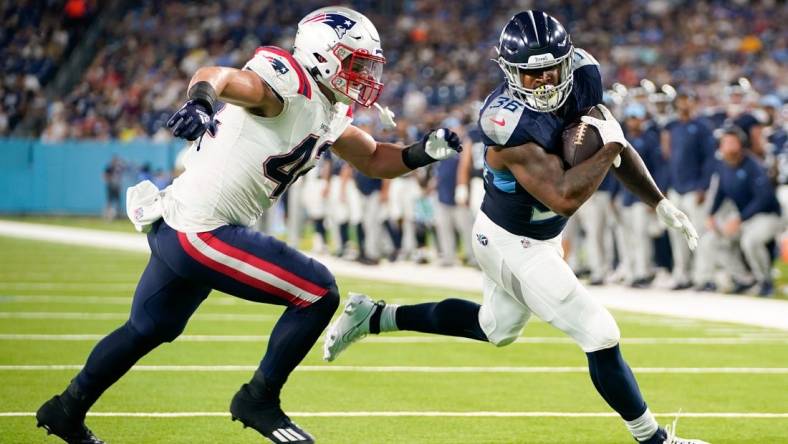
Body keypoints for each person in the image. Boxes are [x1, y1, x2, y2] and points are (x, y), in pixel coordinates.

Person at [35, 7, 461, 444]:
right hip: (202, 228)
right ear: (324, 57)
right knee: (317, 291)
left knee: (148, 328)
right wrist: (201, 101)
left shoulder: (328, 109)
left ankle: (66, 408)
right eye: (356, 64)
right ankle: (258, 399)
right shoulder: (287, 83)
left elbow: (372, 158)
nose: (364, 76)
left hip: (183, 225)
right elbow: (215, 74)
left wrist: (422, 152)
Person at [324, 10, 705, 444]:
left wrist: (658, 201)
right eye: (531, 75)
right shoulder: (502, 121)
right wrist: (613, 140)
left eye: (550, 71)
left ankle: (374, 316)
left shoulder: (583, 75)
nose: (543, 82)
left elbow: (611, 144)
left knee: (495, 328)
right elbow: (567, 193)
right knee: (599, 331)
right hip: (511, 239)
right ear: (509, 73)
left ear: (567, 62)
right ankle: (654, 439)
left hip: (538, 234)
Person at [696, 127, 783, 296]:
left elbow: (763, 199)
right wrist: (711, 215)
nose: (728, 146)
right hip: (743, 217)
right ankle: (743, 279)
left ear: (740, 144)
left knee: (750, 241)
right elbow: (720, 193)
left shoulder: (753, 165)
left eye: (732, 142)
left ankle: (765, 281)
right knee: (711, 240)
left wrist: (740, 219)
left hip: (767, 216)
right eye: (725, 142)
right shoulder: (722, 166)